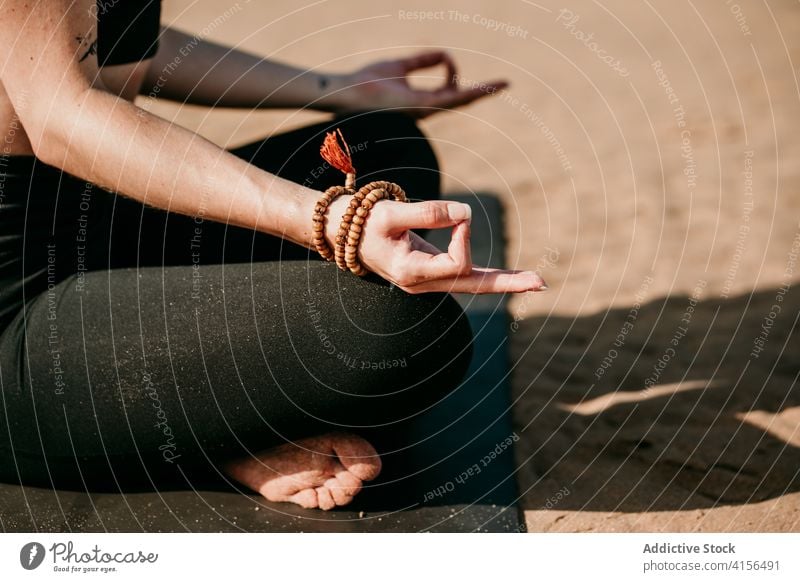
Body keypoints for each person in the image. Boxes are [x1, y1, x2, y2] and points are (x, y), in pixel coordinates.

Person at [0, 0, 546, 511]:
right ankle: (202, 437)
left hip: (96, 225)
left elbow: (113, 43)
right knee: (399, 329)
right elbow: (58, 115)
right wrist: (332, 222)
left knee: (385, 145)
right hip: (15, 312)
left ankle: (190, 400)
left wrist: (340, 88)